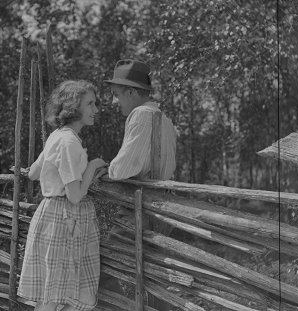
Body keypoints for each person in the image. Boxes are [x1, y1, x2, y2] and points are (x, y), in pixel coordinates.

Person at [17, 80, 108, 311]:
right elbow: (75, 195)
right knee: (58, 296)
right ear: (73, 107)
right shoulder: (68, 142)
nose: (95, 110)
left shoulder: (58, 136)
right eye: (90, 104)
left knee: (60, 294)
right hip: (65, 218)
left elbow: (34, 173)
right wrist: (92, 166)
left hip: (54, 215)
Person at [102, 59, 178, 309]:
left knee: (104, 265)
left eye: (117, 95)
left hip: (141, 208)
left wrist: (104, 168)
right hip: (162, 208)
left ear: (132, 92)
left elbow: (122, 169)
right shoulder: (163, 118)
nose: (115, 102)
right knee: (152, 274)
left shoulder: (141, 115)